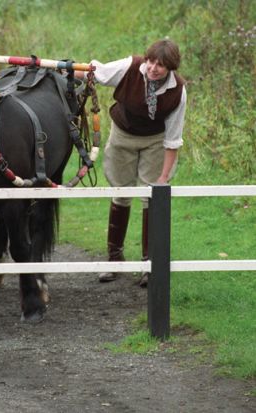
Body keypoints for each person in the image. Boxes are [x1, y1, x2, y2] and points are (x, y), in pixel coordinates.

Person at [85, 39, 186, 287]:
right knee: (121, 192)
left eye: (160, 65)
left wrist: (163, 178)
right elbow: (96, 71)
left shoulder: (178, 91)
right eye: (151, 61)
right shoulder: (130, 67)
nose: (153, 68)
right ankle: (114, 260)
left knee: (152, 196)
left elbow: (173, 139)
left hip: (155, 140)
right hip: (123, 134)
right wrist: (66, 69)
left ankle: (149, 264)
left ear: (170, 68)